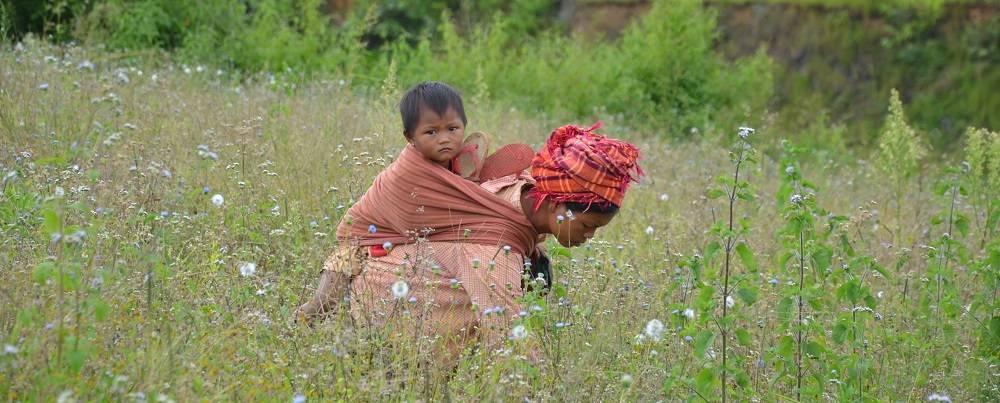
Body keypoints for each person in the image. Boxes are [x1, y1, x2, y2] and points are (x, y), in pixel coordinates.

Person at [299, 120, 643, 364]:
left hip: (385, 271)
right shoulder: (493, 253)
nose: (590, 235)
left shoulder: (519, 188)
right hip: (382, 319)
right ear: (554, 203)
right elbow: (509, 341)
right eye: (587, 224)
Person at [296, 81, 520, 321]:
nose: (444, 139)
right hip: (362, 238)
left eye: (452, 129)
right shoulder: (407, 173)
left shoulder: (459, 165)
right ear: (410, 137)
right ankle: (300, 323)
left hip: (413, 245)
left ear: (464, 127)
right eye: (431, 132)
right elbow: (410, 219)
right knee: (325, 300)